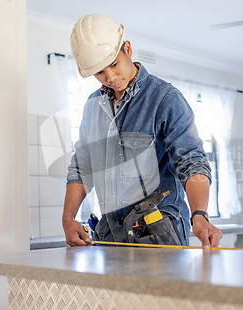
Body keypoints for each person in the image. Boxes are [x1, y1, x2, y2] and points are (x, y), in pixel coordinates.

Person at [62, 13, 222, 250]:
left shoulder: (165, 99)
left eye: (114, 65)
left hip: (158, 233)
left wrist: (200, 214)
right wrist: (68, 218)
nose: (110, 78)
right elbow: (83, 167)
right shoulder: (92, 107)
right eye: (99, 73)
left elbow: (192, 163)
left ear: (128, 48)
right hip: (109, 235)